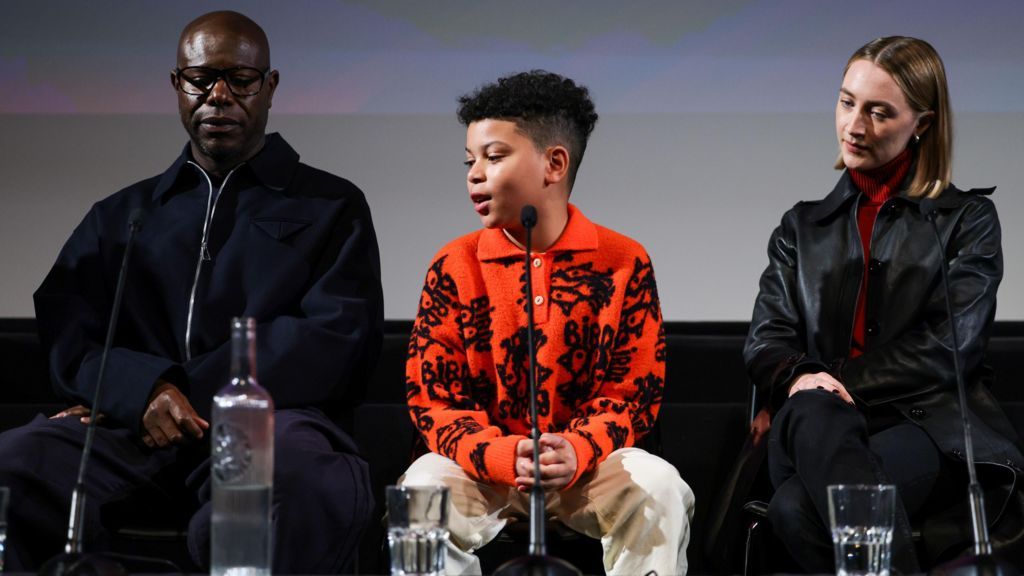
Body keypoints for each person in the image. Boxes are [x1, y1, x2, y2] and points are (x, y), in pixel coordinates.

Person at [0, 10, 383, 573]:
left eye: (241, 80)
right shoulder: (124, 214)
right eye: (201, 79)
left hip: (269, 427)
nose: (219, 95)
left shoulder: (329, 205)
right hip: (134, 429)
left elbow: (336, 335)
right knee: (15, 461)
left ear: (270, 87)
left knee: (301, 481)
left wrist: (186, 390)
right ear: (177, 85)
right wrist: (142, 391)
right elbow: (69, 330)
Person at [744, 36, 1023, 572]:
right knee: (812, 407)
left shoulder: (965, 221)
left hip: (923, 426)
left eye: (878, 112)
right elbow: (766, 340)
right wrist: (807, 379)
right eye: (847, 102)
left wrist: (835, 380)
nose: (854, 125)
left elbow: (949, 350)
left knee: (795, 507)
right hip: (813, 427)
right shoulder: (800, 228)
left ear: (921, 122)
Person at [402, 70, 694, 576]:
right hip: (484, 469)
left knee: (662, 487)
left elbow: (633, 393)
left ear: (554, 163)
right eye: (470, 160)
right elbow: (434, 399)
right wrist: (497, 453)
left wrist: (577, 448)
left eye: (493, 157)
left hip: (589, 467)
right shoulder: (455, 264)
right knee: (419, 496)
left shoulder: (624, 261)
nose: (474, 173)